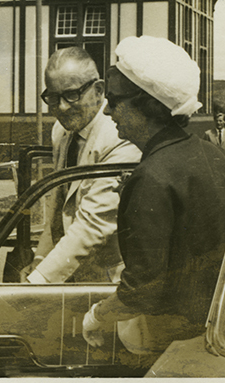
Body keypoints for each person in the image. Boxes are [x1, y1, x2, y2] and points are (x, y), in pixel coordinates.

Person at [81, 35, 225, 365]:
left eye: (115, 100)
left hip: (171, 344)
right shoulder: (215, 155)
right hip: (222, 331)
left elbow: (142, 289)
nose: (107, 109)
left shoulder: (152, 175)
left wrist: (96, 315)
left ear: (150, 105)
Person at [23, 47, 141, 284]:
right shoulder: (61, 130)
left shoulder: (120, 137)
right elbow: (58, 203)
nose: (62, 107)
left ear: (98, 90)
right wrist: (40, 259)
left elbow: (93, 223)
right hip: (70, 274)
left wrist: (36, 283)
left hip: (110, 280)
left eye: (72, 95)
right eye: (53, 98)